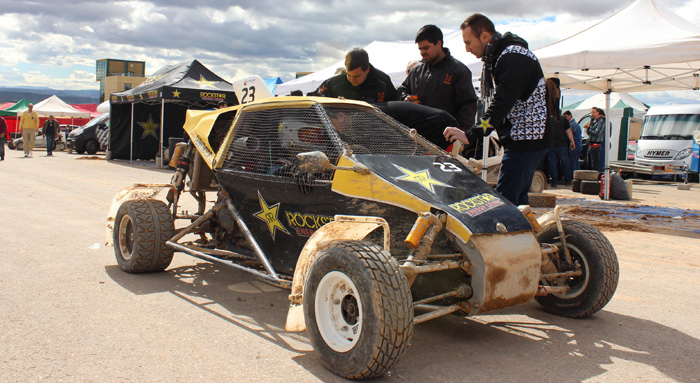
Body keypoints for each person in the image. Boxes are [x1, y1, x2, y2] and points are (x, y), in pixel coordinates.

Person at [443, 14, 549, 206]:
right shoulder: (504, 55)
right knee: (516, 201)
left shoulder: (513, 56)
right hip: (524, 137)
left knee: (507, 201)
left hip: (527, 138)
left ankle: (514, 235)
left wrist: (473, 133)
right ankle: (523, 234)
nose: (467, 49)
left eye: (468, 42)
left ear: (484, 37)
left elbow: (502, 102)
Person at [397, 25, 478, 132]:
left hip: (445, 136)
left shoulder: (458, 70)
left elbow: (468, 106)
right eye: (420, 49)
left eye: (426, 48)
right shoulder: (416, 71)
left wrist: (459, 134)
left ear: (439, 44)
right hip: (418, 134)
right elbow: (402, 89)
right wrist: (405, 98)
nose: (422, 52)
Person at [314, 48, 397, 103]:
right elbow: (314, 100)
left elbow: (395, 107)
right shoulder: (333, 82)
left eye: (357, 76)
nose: (352, 80)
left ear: (367, 70)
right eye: (349, 75)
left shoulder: (383, 81)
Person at [584, 107, 607, 173]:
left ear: (598, 113)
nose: (592, 114)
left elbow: (596, 133)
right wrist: (587, 129)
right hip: (591, 145)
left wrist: (589, 128)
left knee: (596, 165)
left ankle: (598, 179)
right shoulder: (594, 122)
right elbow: (590, 134)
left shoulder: (601, 122)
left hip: (597, 145)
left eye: (594, 112)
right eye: (591, 112)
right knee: (589, 164)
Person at [564, 110, 583, 177]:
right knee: (576, 161)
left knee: (573, 162)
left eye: (566, 116)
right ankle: (579, 176)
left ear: (570, 115)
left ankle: (574, 177)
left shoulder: (571, 125)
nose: (565, 118)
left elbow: (568, 134)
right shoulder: (575, 124)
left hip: (574, 144)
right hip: (578, 144)